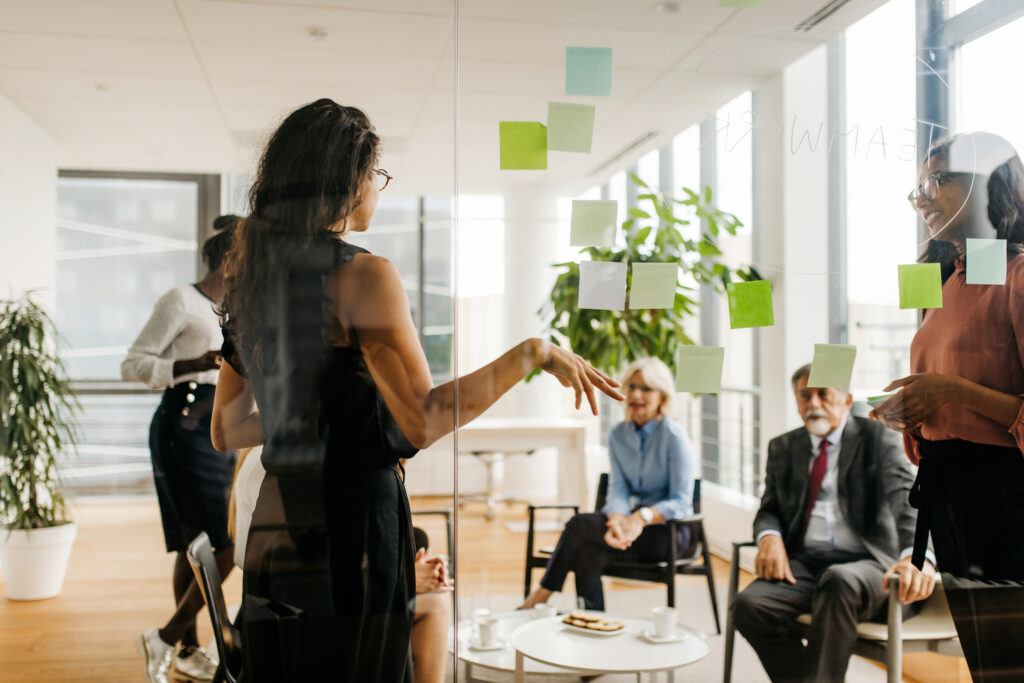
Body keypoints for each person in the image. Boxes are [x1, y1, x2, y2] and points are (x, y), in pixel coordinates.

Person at [210, 98, 622, 682]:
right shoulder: (362, 274)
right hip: (351, 523)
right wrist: (533, 353)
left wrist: (307, 418)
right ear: (349, 180)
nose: (378, 188)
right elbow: (422, 421)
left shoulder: (249, 274)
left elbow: (225, 429)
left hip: (279, 522)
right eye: (376, 175)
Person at [870, 132, 1024, 680]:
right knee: (989, 665)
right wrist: (913, 410)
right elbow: (943, 384)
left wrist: (950, 393)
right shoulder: (949, 280)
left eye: (937, 179)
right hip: (951, 496)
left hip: (1005, 501)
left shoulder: (1018, 276)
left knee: (1010, 663)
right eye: (917, 188)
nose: (923, 198)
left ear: (988, 185)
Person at [731, 364, 934, 683]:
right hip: (807, 564)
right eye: (804, 396)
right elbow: (769, 508)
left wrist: (916, 556)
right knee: (748, 606)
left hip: (869, 566)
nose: (813, 404)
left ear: (846, 399)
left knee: (838, 580)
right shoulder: (783, 447)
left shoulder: (878, 437)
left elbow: (906, 500)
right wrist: (769, 536)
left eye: (823, 394)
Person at [121, 216, 241, 683]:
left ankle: (186, 648)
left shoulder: (232, 307)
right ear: (229, 260)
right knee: (223, 545)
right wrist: (195, 361)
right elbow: (131, 364)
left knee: (193, 543)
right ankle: (171, 637)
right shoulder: (181, 300)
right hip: (183, 428)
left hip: (218, 430)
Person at [228, 446, 453, 683]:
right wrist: (407, 578)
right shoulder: (276, 465)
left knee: (430, 585)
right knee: (436, 603)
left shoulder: (276, 455)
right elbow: (301, 571)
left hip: (298, 604)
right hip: (283, 621)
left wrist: (405, 572)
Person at [519, 357, 696, 612]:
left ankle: (540, 597)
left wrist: (641, 518)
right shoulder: (617, 435)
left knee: (579, 526)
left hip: (669, 533)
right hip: (629, 527)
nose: (636, 394)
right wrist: (616, 521)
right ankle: (594, 621)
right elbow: (619, 489)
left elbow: (681, 501)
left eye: (646, 389)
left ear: (663, 397)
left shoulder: (675, 437)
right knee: (588, 549)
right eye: (632, 386)